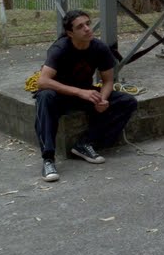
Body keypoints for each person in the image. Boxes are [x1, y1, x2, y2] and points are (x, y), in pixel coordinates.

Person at [35, 10, 138, 182]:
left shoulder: (99, 48)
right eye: (80, 27)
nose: (87, 29)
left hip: (85, 94)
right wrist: (79, 92)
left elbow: (108, 81)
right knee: (45, 97)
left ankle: (86, 144)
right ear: (70, 33)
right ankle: (48, 159)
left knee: (127, 101)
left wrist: (102, 99)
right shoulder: (60, 48)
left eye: (88, 24)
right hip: (60, 95)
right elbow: (43, 81)